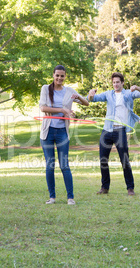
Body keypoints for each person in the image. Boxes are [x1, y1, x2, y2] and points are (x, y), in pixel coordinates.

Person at [87, 72, 140, 195]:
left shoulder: (128, 93)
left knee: (124, 160)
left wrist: (136, 87)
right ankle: (105, 187)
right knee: (103, 160)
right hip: (107, 130)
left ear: (122, 83)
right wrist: (90, 94)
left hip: (120, 130)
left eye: (117, 82)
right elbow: (92, 99)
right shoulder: (108, 94)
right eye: (114, 82)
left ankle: (130, 188)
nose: (115, 84)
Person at [39, 65, 89, 205]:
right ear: (53, 75)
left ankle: (70, 197)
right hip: (48, 131)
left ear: (65, 76)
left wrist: (78, 97)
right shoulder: (45, 89)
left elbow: (86, 103)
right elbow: (43, 107)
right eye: (57, 75)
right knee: (50, 165)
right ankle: (52, 197)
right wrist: (63, 110)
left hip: (62, 132)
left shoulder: (69, 91)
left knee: (64, 165)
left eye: (62, 76)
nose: (59, 78)